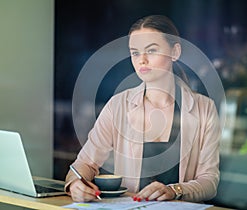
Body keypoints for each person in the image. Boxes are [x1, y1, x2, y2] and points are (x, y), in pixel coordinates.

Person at [65, 15, 221, 203]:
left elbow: (209, 182)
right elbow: (84, 164)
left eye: (152, 50)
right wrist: (75, 184)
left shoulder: (204, 108)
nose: (142, 60)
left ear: (175, 52)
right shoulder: (118, 105)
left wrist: (175, 190)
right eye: (135, 53)